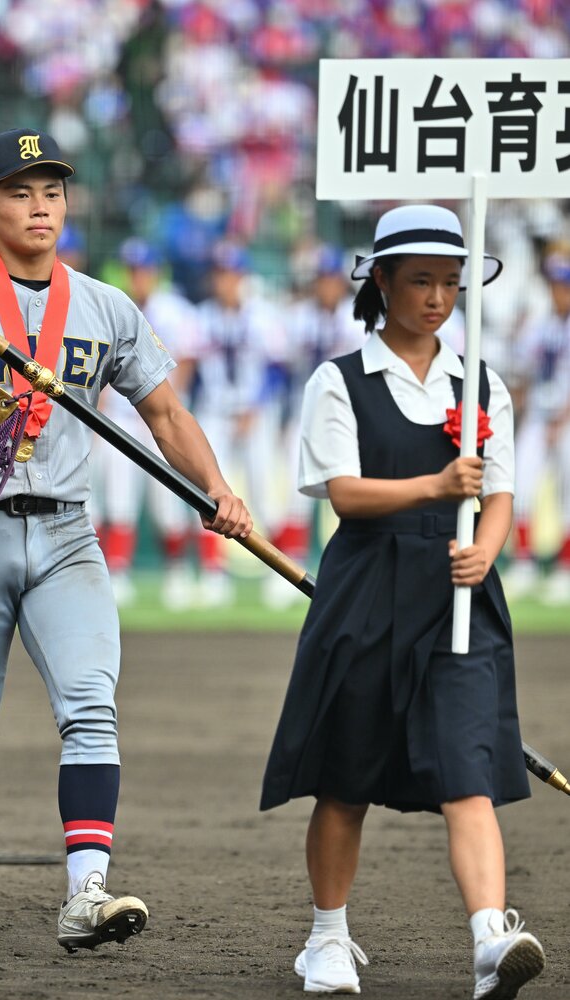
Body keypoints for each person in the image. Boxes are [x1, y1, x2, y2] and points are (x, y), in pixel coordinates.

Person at [0, 128, 252, 949]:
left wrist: (218, 488)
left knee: (92, 709)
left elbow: (164, 413)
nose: (40, 207)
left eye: (52, 192)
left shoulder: (106, 307)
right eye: (20, 192)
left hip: (67, 533)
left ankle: (86, 893)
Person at [261, 204, 544, 998]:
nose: (438, 298)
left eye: (451, 283)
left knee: (468, 771)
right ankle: (327, 937)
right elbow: (345, 494)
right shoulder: (338, 380)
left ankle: (490, 940)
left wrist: (487, 550)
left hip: (460, 597)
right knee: (346, 777)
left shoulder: (481, 381)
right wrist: (434, 486)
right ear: (381, 281)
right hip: (367, 591)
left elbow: (499, 494)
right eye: (421, 281)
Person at [94, 238, 200, 609]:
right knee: (118, 498)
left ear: (155, 272)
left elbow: (187, 361)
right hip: (121, 418)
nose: (138, 276)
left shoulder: (174, 309)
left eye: (143, 269)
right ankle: (118, 572)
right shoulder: (113, 305)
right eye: (132, 270)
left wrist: (166, 409)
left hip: (159, 416)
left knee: (167, 500)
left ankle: (178, 572)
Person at [267, 244, 365, 608]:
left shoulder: (357, 317)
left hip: (347, 417)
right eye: (321, 279)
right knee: (295, 495)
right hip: (304, 413)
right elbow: (278, 367)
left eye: (331, 279)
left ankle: (354, 570)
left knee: (350, 494)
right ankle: (290, 570)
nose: (326, 286)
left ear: (341, 282)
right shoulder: (299, 317)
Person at [190, 240, 282, 607]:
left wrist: (255, 407)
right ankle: (214, 575)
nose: (225, 281)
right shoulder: (201, 317)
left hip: (254, 413)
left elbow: (277, 370)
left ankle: (279, 574)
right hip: (215, 411)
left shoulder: (262, 315)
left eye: (230, 274)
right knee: (209, 491)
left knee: (263, 491)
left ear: (242, 277)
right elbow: (191, 370)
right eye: (220, 275)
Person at [504, 250, 570, 604]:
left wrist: (562, 418)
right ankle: (524, 563)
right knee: (521, 483)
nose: (558, 291)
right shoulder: (541, 326)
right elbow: (525, 372)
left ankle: (565, 569)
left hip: (566, 417)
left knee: (567, 494)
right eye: (555, 285)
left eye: (563, 285)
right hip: (539, 415)